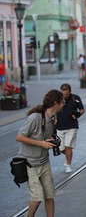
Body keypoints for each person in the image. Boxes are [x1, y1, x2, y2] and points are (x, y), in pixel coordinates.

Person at [16, 89, 65, 217]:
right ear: (55, 103)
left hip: (44, 161)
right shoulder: (35, 118)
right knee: (37, 198)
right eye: (62, 101)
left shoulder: (53, 118)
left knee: (50, 195)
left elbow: (42, 137)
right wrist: (41, 143)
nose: (64, 103)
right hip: (30, 163)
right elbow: (19, 137)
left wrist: (48, 141)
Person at [56, 84, 85, 173]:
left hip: (72, 126)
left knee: (68, 146)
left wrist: (77, 115)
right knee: (61, 149)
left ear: (70, 91)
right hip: (59, 127)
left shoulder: (75, 98)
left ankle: (68, 165)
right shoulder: (57, 99)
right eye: (63, 94)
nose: (64, 96)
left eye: (66, 95)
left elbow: (82, 109)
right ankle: (68, 156)